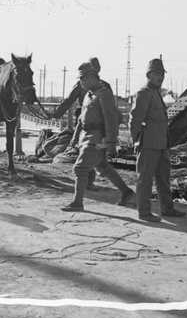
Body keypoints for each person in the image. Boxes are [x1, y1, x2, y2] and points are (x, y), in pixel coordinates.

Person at [60, 62, 134, 212]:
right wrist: (75, 137)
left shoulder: (104, 93)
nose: (81, 82)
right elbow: (82, 119)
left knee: (80, 168)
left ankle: (77, 203)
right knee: (103, 167)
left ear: (92, 77)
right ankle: (126, 191)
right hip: (86, 136)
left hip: (97, 138)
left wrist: (111, 141)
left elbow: (111, 119)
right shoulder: (88, 95)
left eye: (83, 79)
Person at [129, 59, 185, 222]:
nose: (160, 77)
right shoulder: (144, 93)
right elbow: (135, 120)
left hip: (161, 144)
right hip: (148, 144)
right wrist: (135, 141)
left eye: (162, 74)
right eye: (156, 74)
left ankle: (167, 208)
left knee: (163, 179)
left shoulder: (156, 93)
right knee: (145, 179)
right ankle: (144, 212)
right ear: (149, 75)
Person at [49, 57, 113, 191]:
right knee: (84, 153)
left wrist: (111, 134)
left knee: (98, 155)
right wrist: (56, 114)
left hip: (100, 127)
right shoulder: (80, 84)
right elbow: (68, 101)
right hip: (83, 123)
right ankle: (86, 184)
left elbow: (112, 110)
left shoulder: (105, 87)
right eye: (93, 67)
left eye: (97, 67)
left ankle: (91, 183)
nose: (96, 69)